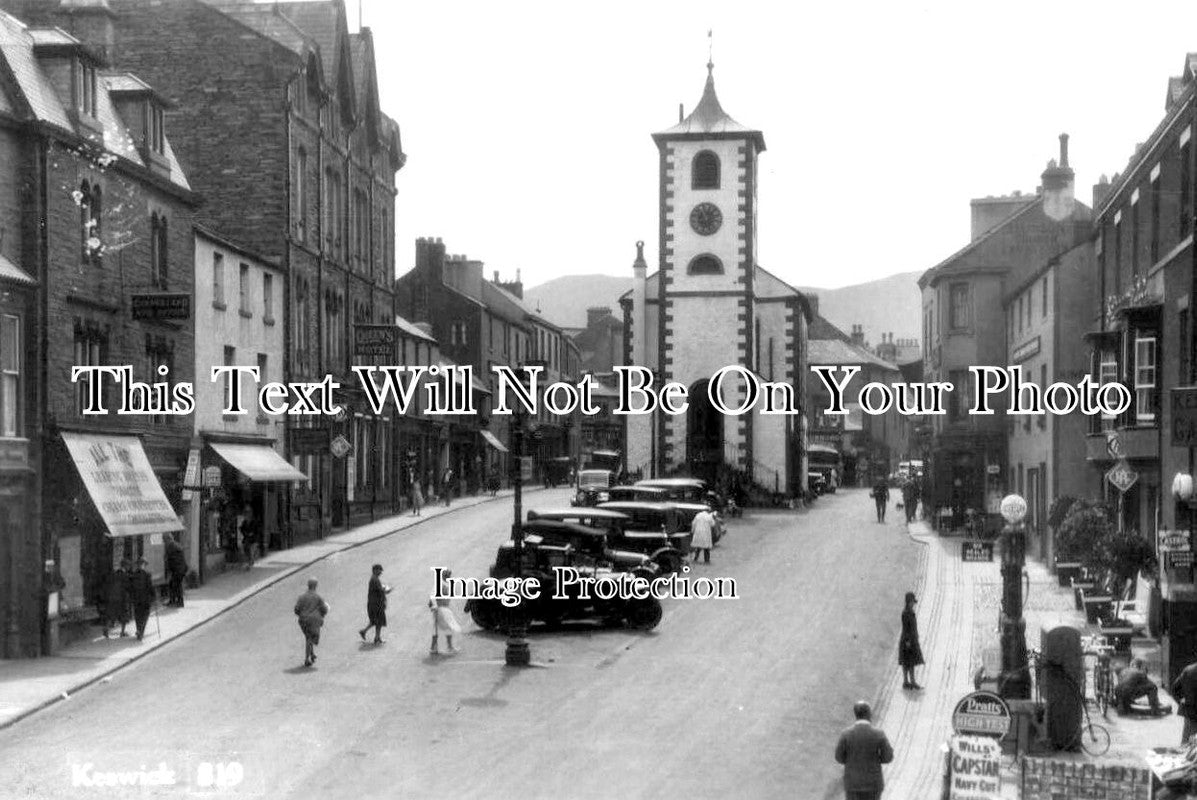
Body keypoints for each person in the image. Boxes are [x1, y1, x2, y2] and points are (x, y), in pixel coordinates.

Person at [834, 700, 894, 800]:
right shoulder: (878, 734)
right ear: (868, 714)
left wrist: (850, 760)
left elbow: (838, 757)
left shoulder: (846, 734)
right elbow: (888, 757)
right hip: (873, 783)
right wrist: (877, 759)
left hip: (853, 783)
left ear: (856, 714)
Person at [294, 578, 330, 667]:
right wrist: (322, 616)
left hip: (303, 620)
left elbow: (296, 609)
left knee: (308, 636)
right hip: (313, 620)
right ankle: (307, 659)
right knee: (310, 638)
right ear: (315, 586)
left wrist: (302, 615)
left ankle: (312, 654)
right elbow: (324, 609)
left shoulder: (301, 597)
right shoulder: (318, 597)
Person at [429, 569, 461, 655]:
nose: (448, 577)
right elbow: (432, 596)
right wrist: (435, 605)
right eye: (447, 575)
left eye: (449, 575)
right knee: (447, 628)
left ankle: (434, 648)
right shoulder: (439, 585)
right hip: (440, 609)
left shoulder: (445, 584)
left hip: (444, 608)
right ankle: (448, 647)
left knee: (441, 629)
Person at [359, 564, 393, 644]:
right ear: (374, 570)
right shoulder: (374, 580)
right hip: (376, 604)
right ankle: (377, 638)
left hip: (374, 604)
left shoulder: (375, 579)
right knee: (379, 621)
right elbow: (381, 591)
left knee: (376, 621)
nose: (381, 572)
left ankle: (365, 632)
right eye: (379, 570)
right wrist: (388, 590)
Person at [899, 591, 924, 690]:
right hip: (907, 641)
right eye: (912, 602)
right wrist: (908, 641)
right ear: (909, 602)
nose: (913, 603)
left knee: (909, 662)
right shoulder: (906, 613)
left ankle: (909, 681)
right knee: (908, 662)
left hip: (911, 640)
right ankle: (908, 682)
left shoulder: (910, 612)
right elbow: (906, 628)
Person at [127, 557, 156, 641]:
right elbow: (150, 586)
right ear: (144, 565)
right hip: (145, 599)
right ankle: (141, 631)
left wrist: (131, 596)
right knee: (145, 615)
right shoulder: (147, 574)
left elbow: (130, 587)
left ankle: (139, 630)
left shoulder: (133, 575)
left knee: (138, 615)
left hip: (136, 599)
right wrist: (153, 596)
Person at [103, 559, 131, 638]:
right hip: (121, 599)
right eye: (128, 566)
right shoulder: (125, 575)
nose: (129, 567)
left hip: (113, 598)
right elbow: (126, 587)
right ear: (125, 566)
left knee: (112, 615)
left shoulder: (115, 574)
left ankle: (106, 629)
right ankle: (122, 632)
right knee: (124, 616)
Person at [1172, 660, 1197, 743]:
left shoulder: (1188, 670)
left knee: (1186, 745)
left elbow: (1175, 689)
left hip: (1190, 712)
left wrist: (1181, 701)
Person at [164, 533, 188, 607]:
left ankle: (179, 602)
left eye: (165, 540)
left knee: (176, 585)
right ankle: (174, 600)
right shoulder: (176, 545)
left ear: (168, 539)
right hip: (181, 569)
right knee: (174, 585)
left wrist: (168, 571)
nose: (164, 542)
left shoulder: (171, 546)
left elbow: (169, 560)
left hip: (177, 570)